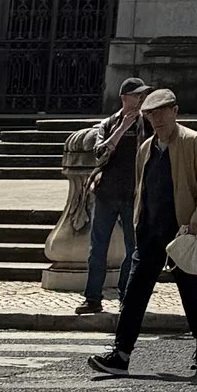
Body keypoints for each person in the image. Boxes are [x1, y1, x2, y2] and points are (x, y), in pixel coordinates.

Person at [89, 88, 197, 381]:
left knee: (190, 289)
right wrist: (138, 220)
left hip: (181, 229)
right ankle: (121, 354)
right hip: (149, 230)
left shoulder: (191, 142)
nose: (156, 118)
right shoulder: (146, 148)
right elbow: (142, 187)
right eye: (150, 114)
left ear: (175, 111)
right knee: (135, 292)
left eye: (161, 112)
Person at [75, 78, 149, 322]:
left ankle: (126, 297)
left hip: (133, 195)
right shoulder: (108, 124)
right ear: (124, 97)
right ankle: (93, 298)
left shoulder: (146, 125)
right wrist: (120, 129)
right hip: (106, 194)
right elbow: (99, 155)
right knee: (98, 247)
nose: (140, 100)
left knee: (133, 249)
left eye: (142, 96)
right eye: (136, 95)